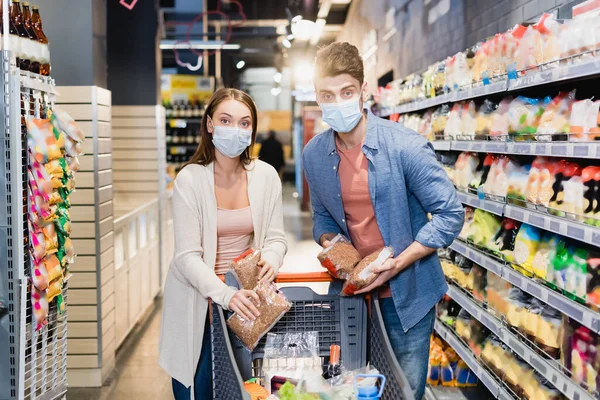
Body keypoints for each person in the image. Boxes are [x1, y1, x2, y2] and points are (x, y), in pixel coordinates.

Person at [302, 42, 464, 400]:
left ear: (363, 91)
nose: (337, 101)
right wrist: (333, 244)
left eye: (346, 91)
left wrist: (398, 262)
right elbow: (322, 218)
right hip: (352, 294)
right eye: (327, 94)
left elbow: (451, 214)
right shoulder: (314, 155)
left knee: (402, 392)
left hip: (407, 295)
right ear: (317, 96)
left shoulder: (404, 145)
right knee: (350, 389)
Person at [159, 88, 288, 400]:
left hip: (245, 306)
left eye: (245, 123)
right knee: (197, 389)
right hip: (199, 303)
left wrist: (271, 257)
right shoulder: (190, 179)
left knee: (243, 389)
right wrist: (226, 295)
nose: (236, 129)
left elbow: (276, 238)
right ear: (210, 125)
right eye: (226, 120)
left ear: (253, 130)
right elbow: (187, 257)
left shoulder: (266, 176)